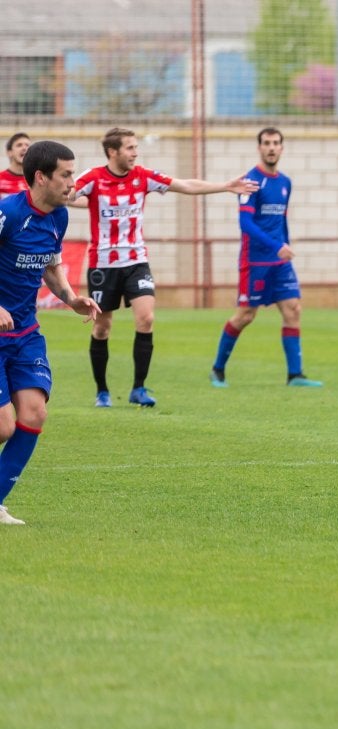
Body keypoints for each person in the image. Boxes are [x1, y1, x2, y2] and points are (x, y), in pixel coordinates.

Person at [72, 127, 258, 408]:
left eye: (136, 147)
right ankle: (102, 392)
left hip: (136, 262)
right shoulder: (93, 178)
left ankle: (139, 388)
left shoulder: (143, 176)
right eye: (130, 148)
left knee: (146, 318)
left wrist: (225, 186)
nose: (135, 153)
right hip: (103, 265)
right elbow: (65, 194)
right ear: (113, 152)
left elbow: (185, 185)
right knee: (102, 328)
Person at [0, 141, 102, 525]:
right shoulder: (7, 213)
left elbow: (50, 265)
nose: (72, 182)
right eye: (66, 174)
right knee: (3, 425)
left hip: (25, 333)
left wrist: (71, 297)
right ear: (40, 176)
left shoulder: (58, 217)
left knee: (34, 414)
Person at [209, 127, 322, 389]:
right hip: (256, 261)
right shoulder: (250, 181)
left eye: (276, 143)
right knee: (246, 315)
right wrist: (275, 246)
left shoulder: (285, 182)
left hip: (280, 262)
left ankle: (295, 376)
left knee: (293, 310)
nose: (271, 148)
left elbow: (281, 221)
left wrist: (286, 247)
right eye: (267, 143)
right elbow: (245, 223)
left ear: (282, 148)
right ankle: (217, 369)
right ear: (259, 147)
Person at [0, 133, 30, 199]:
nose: (24, 148)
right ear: (9, 152)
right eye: (19, 145)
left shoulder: (37, 181)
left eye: (27, 145)